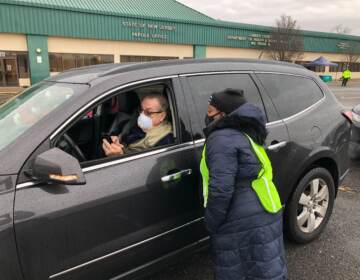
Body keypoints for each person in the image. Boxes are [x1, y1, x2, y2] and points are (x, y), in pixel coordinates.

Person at [200, 89, 287, 280]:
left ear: (224, 114)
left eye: (210, 111)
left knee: (239, 270)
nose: (207, 115)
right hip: (264, 208)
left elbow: (221, 189)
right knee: (267, 266)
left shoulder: (221, 138)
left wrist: (212, 222)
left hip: (239, 218)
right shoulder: (246, 132)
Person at [102, 93, 174, 156]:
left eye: (148, 112)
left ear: (162, 116)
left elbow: (145, 167)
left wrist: (119, 155)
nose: (141, 115)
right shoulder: (137, 124)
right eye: (141, 110)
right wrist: (118, 140)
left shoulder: (165, 141)